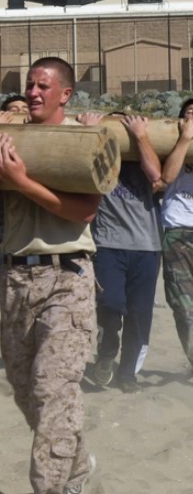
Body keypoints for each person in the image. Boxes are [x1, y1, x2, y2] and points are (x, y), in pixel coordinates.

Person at [0, 57, 99, 494]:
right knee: (26, 389)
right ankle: (77, 468)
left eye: (43, 86)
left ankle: (51, 487)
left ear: (66, 94)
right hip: (15, 279)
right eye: (29, 85)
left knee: (52, 389)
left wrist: (21, 180)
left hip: (66, 276)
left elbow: (85, 211)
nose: (33, 92)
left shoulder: (80, 140)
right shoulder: (9, 140)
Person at [78, 112, 162, 394]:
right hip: (108, 244)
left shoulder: (147, 154)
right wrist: (90, 132)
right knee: (110, 304)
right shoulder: (102, 157)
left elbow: (157, 176)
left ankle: (128, 374)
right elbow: (79, 169)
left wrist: (140, 136)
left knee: (139, 315)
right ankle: (106, 352)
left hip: (147, 247)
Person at [159, 98, 193, 370]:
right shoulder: (169, 142)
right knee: (182, 305)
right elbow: (166, 178)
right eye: (189, 113)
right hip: (177, 230)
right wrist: (184, 140)